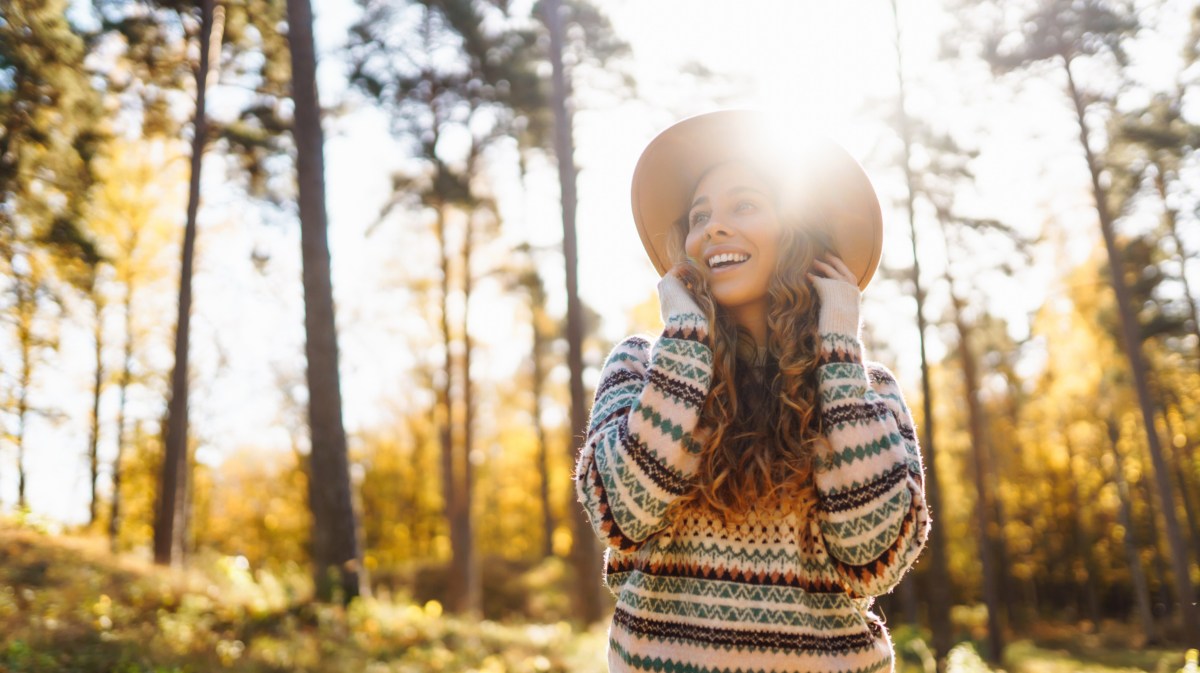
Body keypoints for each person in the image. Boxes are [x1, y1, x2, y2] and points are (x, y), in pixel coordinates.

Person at [572, 109, 932, 673]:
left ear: (798, 234)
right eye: (699, 215)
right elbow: (621, 516)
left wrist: (837, 350)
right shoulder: (640, 365)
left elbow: (876, 555)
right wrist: (688, 346)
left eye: (745, 205)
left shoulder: (867, 390)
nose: (713, 227)